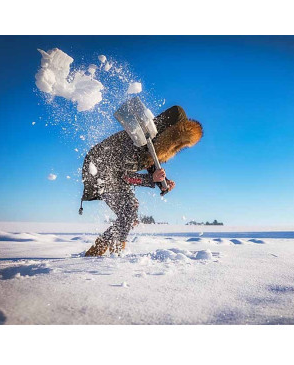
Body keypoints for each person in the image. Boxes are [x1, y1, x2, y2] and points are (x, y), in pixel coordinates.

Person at [80, 105, 203, 256]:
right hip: (98, 168)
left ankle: (110, 248)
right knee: (129, 210)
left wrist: (162, 183)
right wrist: (151, 179)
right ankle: (110, 251)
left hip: (112, 171)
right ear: (168, 135)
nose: (176, 148)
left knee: (129, 211)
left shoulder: (148, 144)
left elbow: (149, 162)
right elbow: (123, 176)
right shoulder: (136, 142)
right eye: (176, 142)